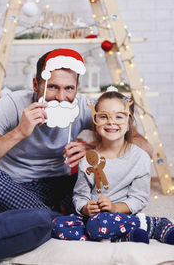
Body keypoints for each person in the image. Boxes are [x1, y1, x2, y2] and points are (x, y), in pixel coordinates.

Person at [0, 49, 152, 216]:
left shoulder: (84, 106)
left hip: (66, 185)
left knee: (100, 179)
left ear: (77, 86)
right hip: (17, 187)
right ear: (36, 84)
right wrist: (19, 132)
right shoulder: (11, 104)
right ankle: (57, 219)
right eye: (52, 87)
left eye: (69, 88)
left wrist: (94, 149)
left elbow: (145, 148)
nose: (61, 97)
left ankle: (40, 218)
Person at [52, 87, 174, 245]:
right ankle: (124, 236)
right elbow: (80, 196)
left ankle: (152, 225)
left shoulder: (139, 158)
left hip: (124, 215)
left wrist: (115, 208)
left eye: (119, 116)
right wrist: (85, 207)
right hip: (94, 218)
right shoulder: (88, 160)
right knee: (58, 226)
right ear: (95, 122)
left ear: (129, 122)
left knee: (97, 225)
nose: (111, 121)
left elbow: (139, 198)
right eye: (103, 116)